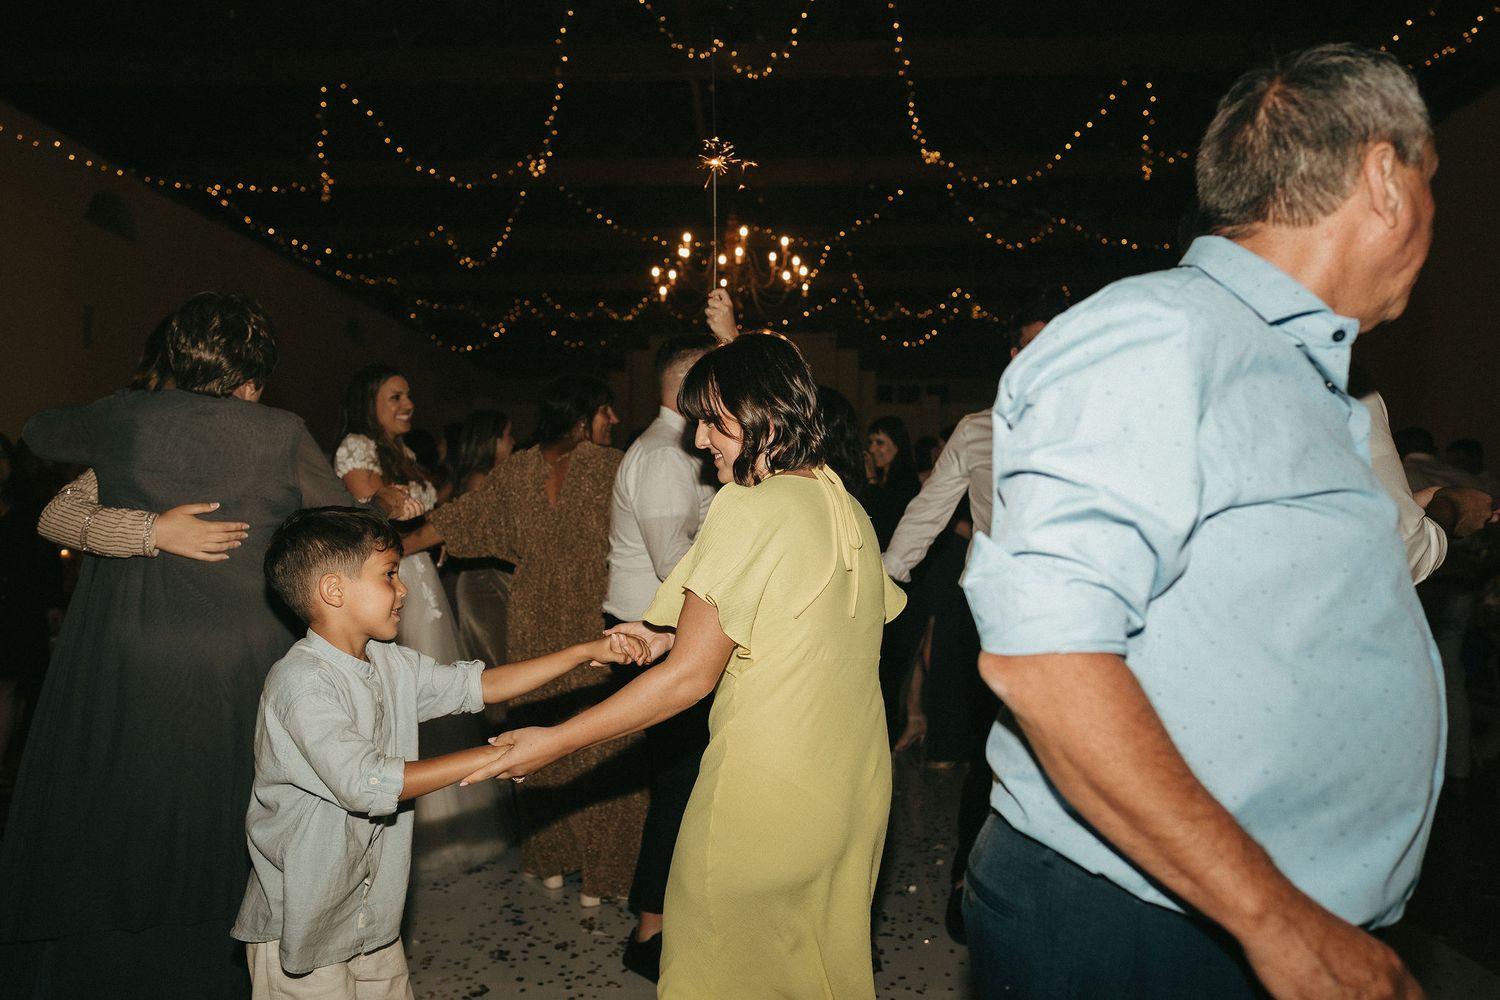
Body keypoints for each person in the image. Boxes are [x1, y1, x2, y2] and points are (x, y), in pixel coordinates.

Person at [961, 44, 1446, 997]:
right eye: (1435, 179)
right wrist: (1277, 920)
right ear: (1386, 180)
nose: (1437, 212)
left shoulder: (1286, 367)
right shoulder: (1161, 334)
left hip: (1218, 911)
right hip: (1151, 922)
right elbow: (1046, 662)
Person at [467, 334, 907, 999]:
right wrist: (673, 635)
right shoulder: (844, 504)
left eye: (713, 421)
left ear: (763, 416)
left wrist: (554, 741)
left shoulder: (749, 505)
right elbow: (804, 624)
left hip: (763, 792)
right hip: (854, 789)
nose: (699, 440)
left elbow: (689, 680)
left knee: (718, 973)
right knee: (814, 976)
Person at [0, 292, 360, 998]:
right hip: (245, 661)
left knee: (131, 814)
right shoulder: (281, 431)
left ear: (174, 355)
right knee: (239, 821)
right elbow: (341, 520)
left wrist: (144, 517)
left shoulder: (125, 420)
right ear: (254, 375)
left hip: (134, 656)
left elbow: (40, 436)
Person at [232, 506, 647, 999]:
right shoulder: (302, 685)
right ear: (333, 590)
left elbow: (478, 685)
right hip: (301, 926)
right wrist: (496, 757)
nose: (403, 589)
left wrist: (584, 653)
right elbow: (367, 783)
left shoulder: (389, 663)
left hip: (372, 920)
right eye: (389, 574)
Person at [402, 374, 645, 906]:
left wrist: (385, 547)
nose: (613, 420)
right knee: (606, 735)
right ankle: (604, 875)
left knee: (541, 729)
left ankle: (552, 862)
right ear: (584, 414)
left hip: (533, 612)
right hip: (596, 613)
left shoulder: (516, 469)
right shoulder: (614, 465)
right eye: (605, 411)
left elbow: (455, 521)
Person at [880, 289, 1065, 941]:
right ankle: (969, 879)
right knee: (994, 755)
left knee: (1061, 763)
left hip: (1074, 624)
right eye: (1032, 344)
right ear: (1014, 356)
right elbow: (929, 511)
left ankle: (1052, 892)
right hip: (998, 621)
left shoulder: (1097, 423)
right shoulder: (976, 430)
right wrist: (881, 580)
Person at [602, 332, 720, 980]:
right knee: (678, 785)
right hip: (653, 634)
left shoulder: (679, 451)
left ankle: (670, 918)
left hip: (670, 630)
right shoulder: (663, 455)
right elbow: (675, 564)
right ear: (690, 385)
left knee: (687, 783)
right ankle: (649, 930)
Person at [335, 364, 460, 662]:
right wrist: (429, 531)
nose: (409, 404)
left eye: (408, 396)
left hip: (420, 567)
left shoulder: (404, 453)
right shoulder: (357, 447)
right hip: (393, 570)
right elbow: (372, 521)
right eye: (396, 397)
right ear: (369, 403)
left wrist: (434, 527)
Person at [0, 435, 63, 779]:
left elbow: (45, 561)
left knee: (15, 687)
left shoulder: (27, 510)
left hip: (19, 611)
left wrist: (52, 604)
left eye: (3, 458)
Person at [447, 409, 517, 672]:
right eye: (508, 435)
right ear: (492, 441)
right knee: (493, 659)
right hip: (484, 580)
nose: (513, 442)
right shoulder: (480, 480)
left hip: (496, 576)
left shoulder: (494, 477)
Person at [862, 414, 920, 549]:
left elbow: (885, 520)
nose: (872, 449)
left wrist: (872, 480)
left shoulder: (906, 482)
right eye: (870, 442)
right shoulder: (880, 476)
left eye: (879, 443)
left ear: (897, 445)